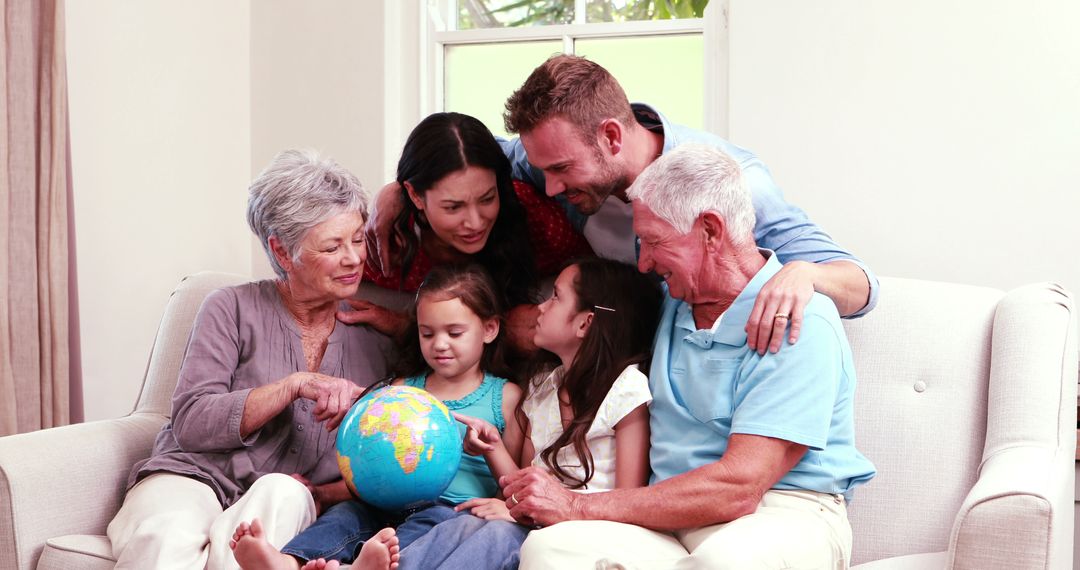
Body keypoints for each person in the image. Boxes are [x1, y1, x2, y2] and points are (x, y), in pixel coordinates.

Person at [501, 144, 877, 569]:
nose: (643, 263)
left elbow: (740, 486)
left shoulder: (800, 318)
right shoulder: (671, 304)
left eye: (654, 242)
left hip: (779, 513)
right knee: (548, 550)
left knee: (723, 562)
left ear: (711, 230)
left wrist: (580, 506)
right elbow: (575, 327)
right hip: (665, 521)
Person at [367, 54, 878, 355]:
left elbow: (862, 285)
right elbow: (465, 160)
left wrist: (805, 275)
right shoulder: (552, 159)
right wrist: (397, 189)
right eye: (541, 168)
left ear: (611, 136)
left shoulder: (734, 183)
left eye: (560, 170)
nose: (546, 187)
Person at [106, 150, 394, 570]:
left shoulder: (376, 338)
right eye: (333, 246)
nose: (353, 258)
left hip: (288, 494)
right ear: (281, 250)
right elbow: (191, 420)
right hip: (192, 478)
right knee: (164, 534)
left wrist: (403, 323)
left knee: (282, 494)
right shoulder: (230, 307)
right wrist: (293, 385)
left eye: (357, 239)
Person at [230, 264, 525, 570]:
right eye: (427, 333)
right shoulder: (400, 390)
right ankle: (288, 561)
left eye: (454, 333)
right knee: (345, 516)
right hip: (382, 502)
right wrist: (321, 493)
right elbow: (371, 470)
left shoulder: (505, 398)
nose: (439, 344)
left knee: (429, 524)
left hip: (450, 509)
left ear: (489, 329)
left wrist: (493, 451)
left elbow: (514, 483)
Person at [425, 257, 662, 570]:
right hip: (530, 523)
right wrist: (493, 447)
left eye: (555, 297)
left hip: (586, 533)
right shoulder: (542, 388)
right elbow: (522, 482)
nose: (540, 308)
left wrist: (515, 514)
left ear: (585, 323)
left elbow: (627, 500)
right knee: (462, 523)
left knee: (497, 533)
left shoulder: (626, 389)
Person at [339, 112, 591, 349]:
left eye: (487, 199)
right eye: (453, 207)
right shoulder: (389, 242)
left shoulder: (535, 218)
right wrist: (403, 325)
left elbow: (602, 278)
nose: (475, 223)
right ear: (415, 195)